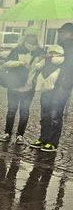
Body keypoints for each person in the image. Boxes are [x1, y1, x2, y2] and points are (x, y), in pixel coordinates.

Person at [29, 23, 73, 153]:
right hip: (48, 83)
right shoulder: (56, 47)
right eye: (60, 32)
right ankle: (43, 138)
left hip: (62, 85)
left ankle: (52, 142)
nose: (60, 34)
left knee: (55, 114)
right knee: (45, 112)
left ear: (71, 34)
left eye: (63, 32)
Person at [0, 33, 43, 144]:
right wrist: (20, 63)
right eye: (29, 36)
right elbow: (7, 63)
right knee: (11, 111)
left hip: (29, 88)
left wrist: (42, 64)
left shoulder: (41, 53)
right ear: (25, 38)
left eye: (33, 36)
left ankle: (20, 135)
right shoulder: (17, 50)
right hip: (14, 86)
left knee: (24, 112)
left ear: (36, 38)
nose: (31, 38)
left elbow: (44, 69)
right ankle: (7, 133)